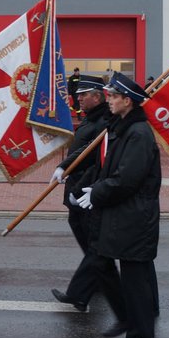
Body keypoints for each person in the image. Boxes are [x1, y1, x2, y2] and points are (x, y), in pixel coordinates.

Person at [71, 72, 161, 338]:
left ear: (127, 101)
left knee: (135, 277)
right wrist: (91, 188)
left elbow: (126, 179)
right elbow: (109, 169)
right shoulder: (123, 128)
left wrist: (97, 193)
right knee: (103, 263)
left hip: (134, 215)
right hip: (121, 212)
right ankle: (128, 319)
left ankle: (142, 335)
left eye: (113, 96)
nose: (108, 100)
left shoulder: (138, 134)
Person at [49, 75, 115, 312]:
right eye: (78, 94)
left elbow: (94, 161)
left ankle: (82, 292)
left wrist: (79, 190)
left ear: (97, 97)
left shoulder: (103, 122)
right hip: (77, 189)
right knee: (90, 243)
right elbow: (80, 152)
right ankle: (99, 282)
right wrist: (63, 167)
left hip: (87, 192)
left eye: (83, 95)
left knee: (95, 246)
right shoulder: (91, 119)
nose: (78, 98)